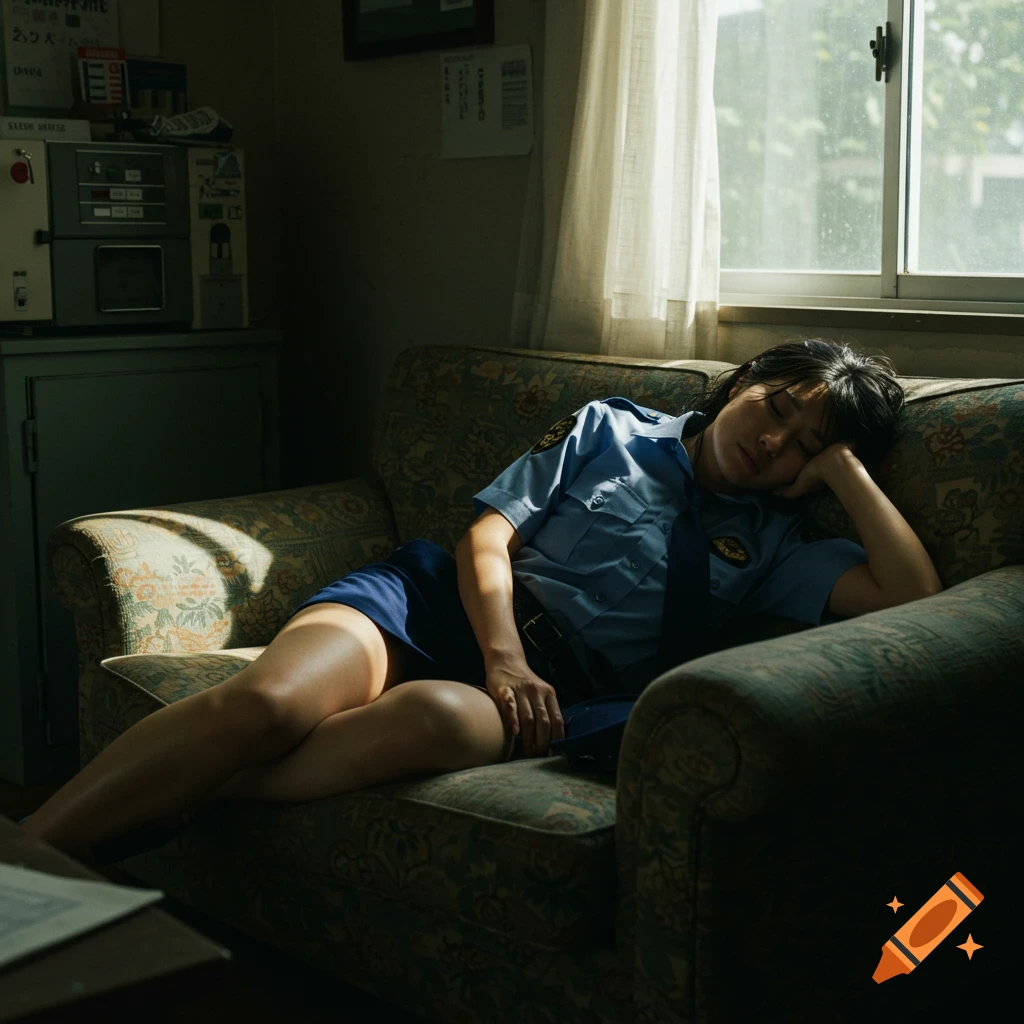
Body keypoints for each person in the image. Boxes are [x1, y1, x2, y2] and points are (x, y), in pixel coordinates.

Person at [20, 339, 942, 864]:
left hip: (561, 690)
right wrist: (501, 650)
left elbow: (913, 595)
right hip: (439, 603)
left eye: (801, 446)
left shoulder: (782, 546)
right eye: (775, 406)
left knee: (438, 723)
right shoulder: (611, 428)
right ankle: (28, 858)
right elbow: (487, 536)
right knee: (269, 701)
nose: (772, 439)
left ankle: (182, 794)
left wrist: (845, 470)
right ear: (743, 382)